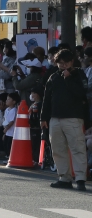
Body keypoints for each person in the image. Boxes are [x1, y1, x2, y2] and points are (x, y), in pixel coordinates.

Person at [41, 48, 89, 191]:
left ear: (72, 61)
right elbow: (46, 99)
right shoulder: (54, 76)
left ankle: (80, 178)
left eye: (66, 62)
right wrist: (43, 117)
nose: (63, 65)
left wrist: (68, 78)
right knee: (58, 149)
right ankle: (64, 177)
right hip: (55, 118)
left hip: (73, 118)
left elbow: (82, 94)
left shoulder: (79, 74)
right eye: (60, 63)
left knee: (77, 148)